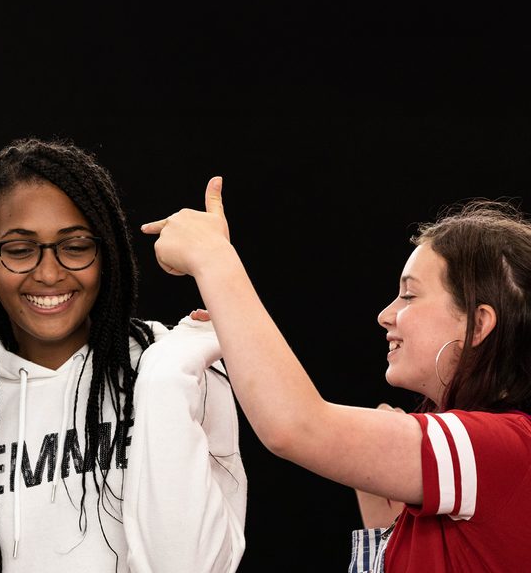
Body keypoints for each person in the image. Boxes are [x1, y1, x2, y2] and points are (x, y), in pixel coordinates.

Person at [0, 141, 246, 573]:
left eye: (75, 246)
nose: (49, 272)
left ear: (108, 253)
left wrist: (166, 376)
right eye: (20, 250)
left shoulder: (180, 369)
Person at [142, 178, 531, 572]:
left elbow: (296, 426)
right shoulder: (478, 466)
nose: (386, 315)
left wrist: (213, 260)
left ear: (478, 325)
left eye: (409, 295)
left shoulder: (504, 448)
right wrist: (381, 506)